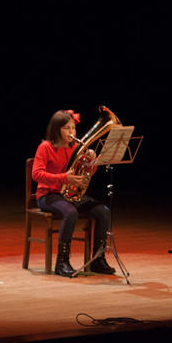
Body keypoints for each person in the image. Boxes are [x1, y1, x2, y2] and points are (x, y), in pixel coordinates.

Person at [32, 109, 116, 277]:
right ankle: (62, 262)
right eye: (67, 128)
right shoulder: (45, 147)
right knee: (71, 213)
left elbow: (86, 173)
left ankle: (98, 260)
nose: (72, 132)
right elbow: (36, 174)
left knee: (103, 212)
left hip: (68, 195)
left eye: (73, 128)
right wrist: (64, 178)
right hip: (48, 195)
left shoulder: (75, 148)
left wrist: (93, 162)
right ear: (56, 129)